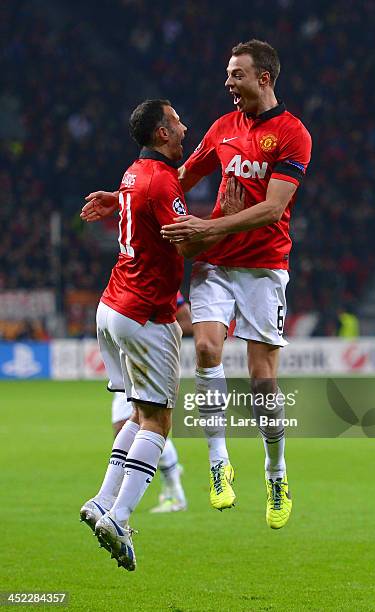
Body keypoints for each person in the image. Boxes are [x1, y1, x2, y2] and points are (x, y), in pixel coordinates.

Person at [81, 39, 312, 530]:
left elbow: (273, 209)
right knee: (206, 349)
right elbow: (177, 178)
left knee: (262, 381)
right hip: (216, 266)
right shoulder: (222, 129)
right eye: (228, 74)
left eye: (236, 74)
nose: (228, 82)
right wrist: (124, 197)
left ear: (264, 78)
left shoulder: (293, 135)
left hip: (265, 268)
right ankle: (217, 462)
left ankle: (276, 472)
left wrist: (211, 226)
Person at [80, 98, 243, 571]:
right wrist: (223, 219)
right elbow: (187, 242)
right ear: (159, 135)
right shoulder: (161, 181)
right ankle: (120, 518)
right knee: (159, 422)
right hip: (146, 313)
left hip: (112, 306)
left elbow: (146, 210)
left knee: (138, 413)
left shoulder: (135, 174)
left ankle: (103, 500)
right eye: (175, 123)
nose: (184, 127)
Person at [111, 291, 192, 513]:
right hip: (130, 358)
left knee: (142, 424)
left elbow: (187, 320)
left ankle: (174, 491)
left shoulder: (158, 281)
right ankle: (171, 473)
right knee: (127, 428)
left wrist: (154, 334)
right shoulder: (124, 275)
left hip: (151, 360)